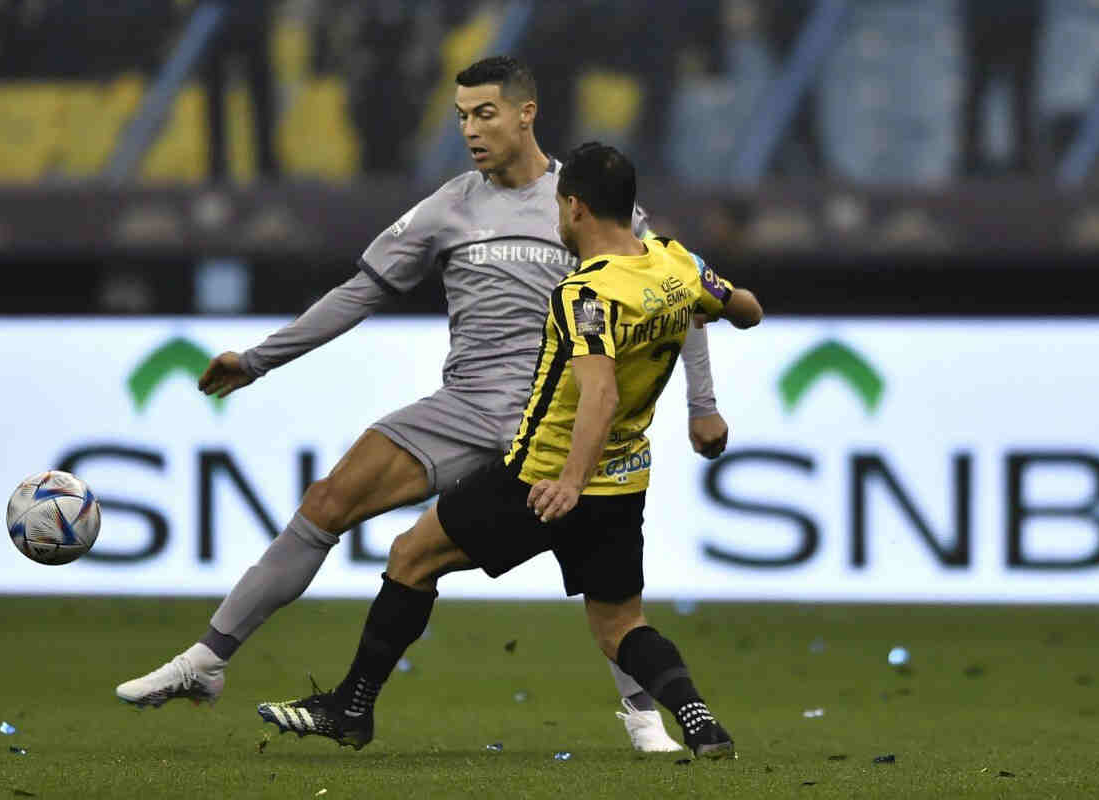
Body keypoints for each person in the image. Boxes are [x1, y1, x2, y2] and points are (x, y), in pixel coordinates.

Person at [116, 56, 730, 753]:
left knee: (608, 599)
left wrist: (700, 405)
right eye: (462, 116)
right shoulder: (449, 207)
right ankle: (207, 662)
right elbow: (361, 292)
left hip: (550, 423)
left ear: (526, 113)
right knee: (327, 502)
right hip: (462, 409)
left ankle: (646, 720)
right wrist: (260, 360)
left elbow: (680, 299)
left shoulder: (583, 201)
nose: (470, 129)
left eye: (485, 113)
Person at [255, 142, 763, 759]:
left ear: (574, 207)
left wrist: (568, 480)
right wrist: (712, 299)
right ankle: (699, 718)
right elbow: (745, 309)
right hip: (624, 482)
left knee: (411, 556)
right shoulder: (673, 264)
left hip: (541, 478)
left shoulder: (586, 293)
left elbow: (598, 394)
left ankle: (351, 708)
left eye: (558, 205)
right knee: (621, 627)